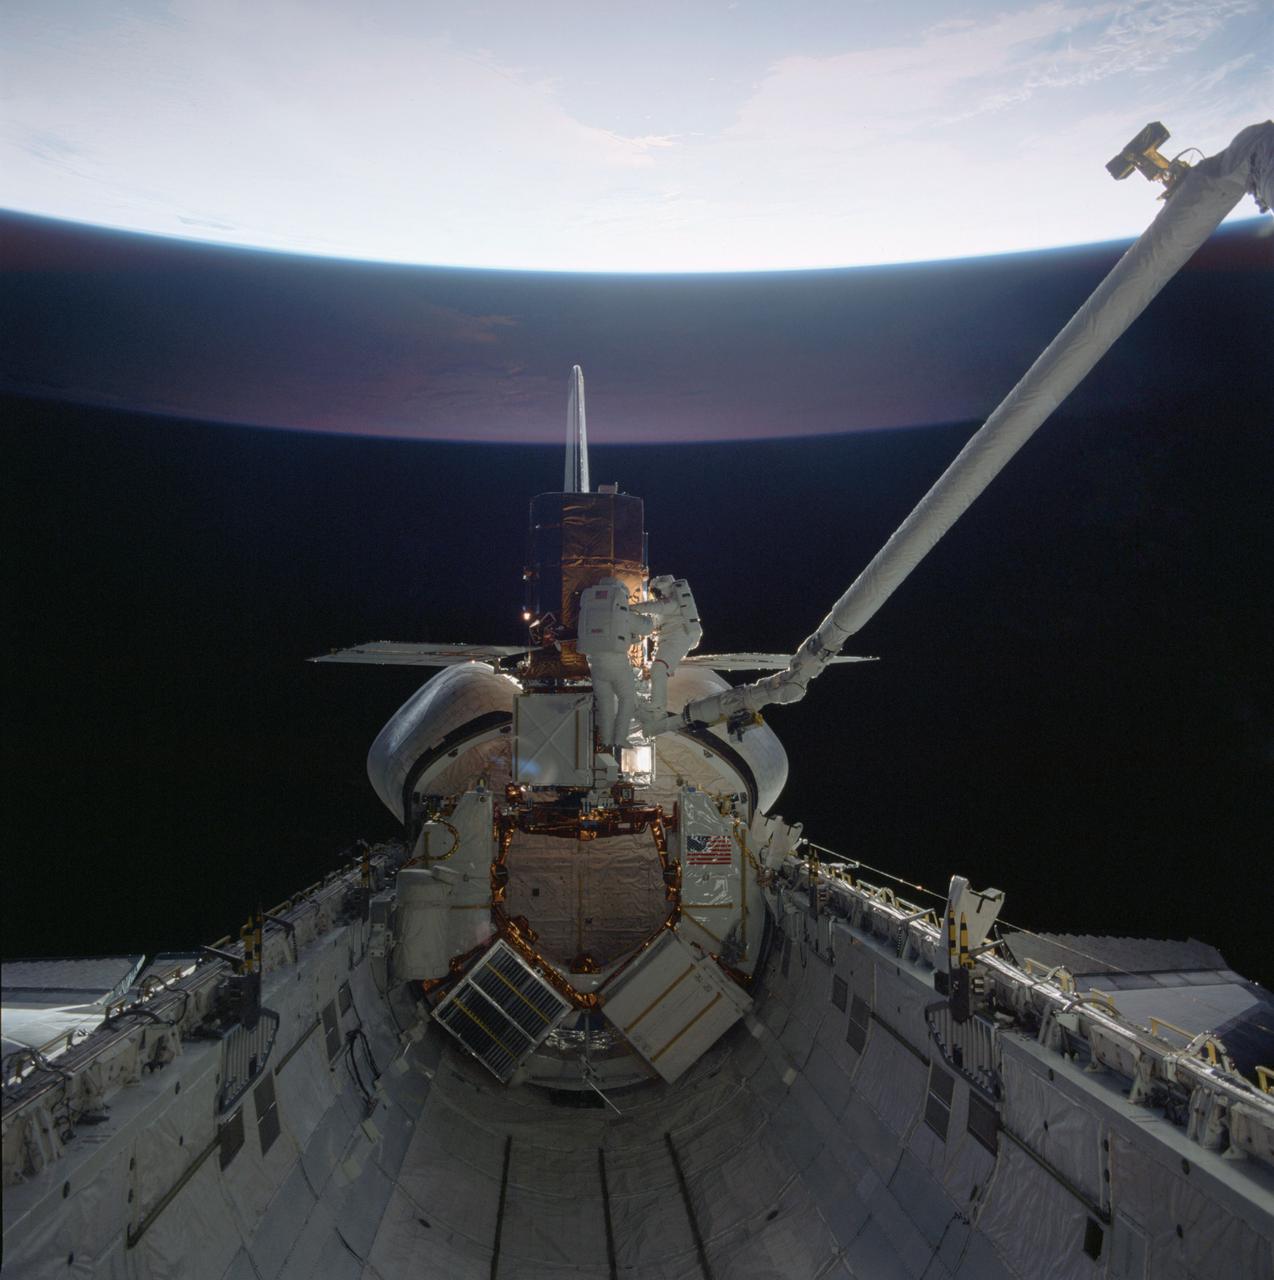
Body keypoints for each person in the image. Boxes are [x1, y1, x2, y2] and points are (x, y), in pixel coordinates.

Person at [576, 576, 652, 763]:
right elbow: (647, 627)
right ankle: (619, 738)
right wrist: (644, 613)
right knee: (627, 699)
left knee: (606, 704)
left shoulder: (589, 608)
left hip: (595, 664)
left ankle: (607, 740)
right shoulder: (621, 611)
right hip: (616, 663)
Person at [632, 575, 703, 717]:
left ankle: (658, 706)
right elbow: (652, 620)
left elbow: (653, 607)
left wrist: (628, 608)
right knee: (657, 669)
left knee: (658, 669)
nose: (655, 596)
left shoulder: (673, 603)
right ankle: (655, 703)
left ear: (663, 589)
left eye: (656, 592)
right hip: (669, 639)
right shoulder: (665, 608)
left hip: (677, 638)